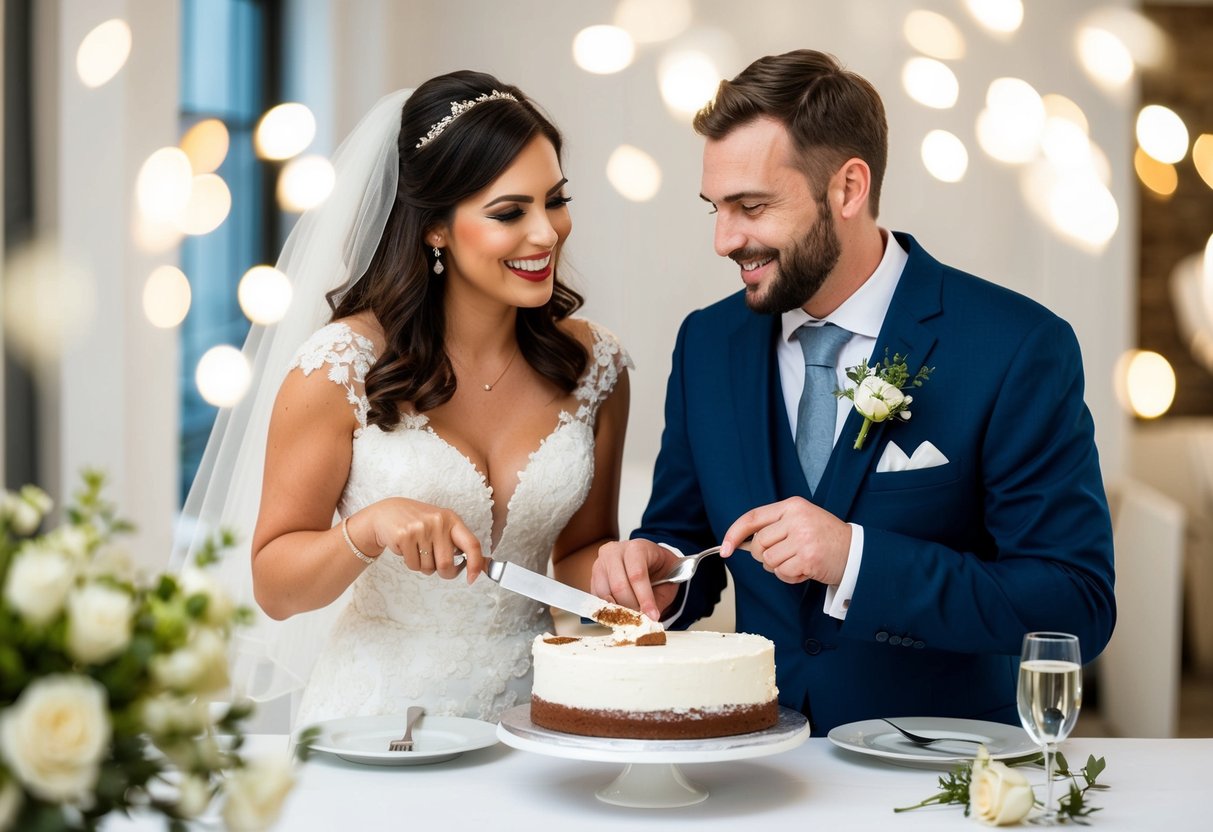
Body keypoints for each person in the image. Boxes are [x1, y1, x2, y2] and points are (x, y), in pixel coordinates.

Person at [591, 50, 1115, 734]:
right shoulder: (706, 345)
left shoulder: (1014, 346)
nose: (724, 240)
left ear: (847, 189)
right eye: (715, 209)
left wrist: (856, 560)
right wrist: (659, 567)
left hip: (940, 768)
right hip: (753, 765)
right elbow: (687, 533)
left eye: (751, 206)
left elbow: (1071, 605)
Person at [177, 71, 630, 727]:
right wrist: (368, 528)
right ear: (435, 229)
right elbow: (275, 588)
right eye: (509, 212)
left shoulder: (595, 364)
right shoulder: (337, 369)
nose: (546, 233)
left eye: (553, 200)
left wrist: (625, 573)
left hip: (538, 722)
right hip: (379, 725)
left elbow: (581, 555)